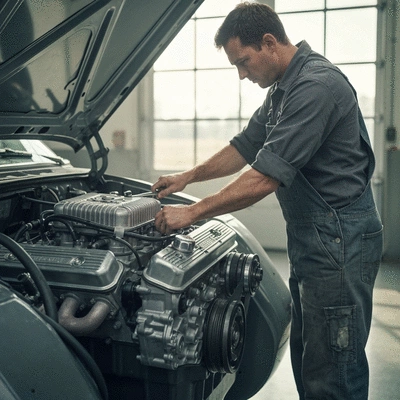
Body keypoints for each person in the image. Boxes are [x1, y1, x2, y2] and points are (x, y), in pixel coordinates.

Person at [151, 2, 383, 399]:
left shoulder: (316, 87)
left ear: (270, 43)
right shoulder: (282, 89)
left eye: (243, 62)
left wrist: (192, 212)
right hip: (316, 240)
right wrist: (186, 177)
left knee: (334, 366)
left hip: (341, 242)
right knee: (310, 354)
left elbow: (263, 177)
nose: (242, 74)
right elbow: (244, 147)